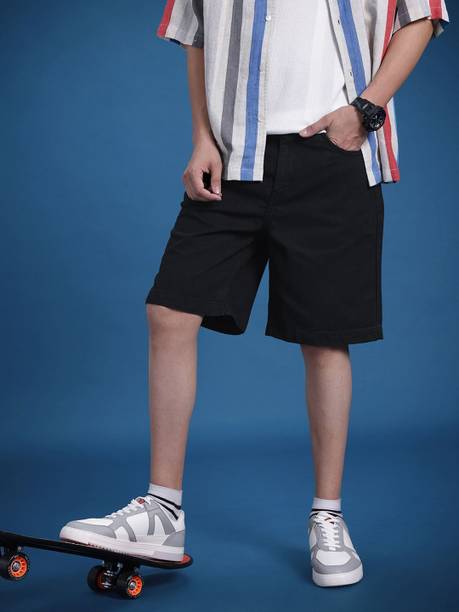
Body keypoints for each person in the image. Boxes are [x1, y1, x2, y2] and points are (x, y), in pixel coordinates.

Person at [59, 0, 449, 588]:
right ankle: (163, 511)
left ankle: (328, 517)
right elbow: (196, 34)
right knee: (169, 311)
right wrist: (201, 137)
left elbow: (422, 16)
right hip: (233, 152)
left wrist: (365, 110)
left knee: (325, 338)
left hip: (333, 155)